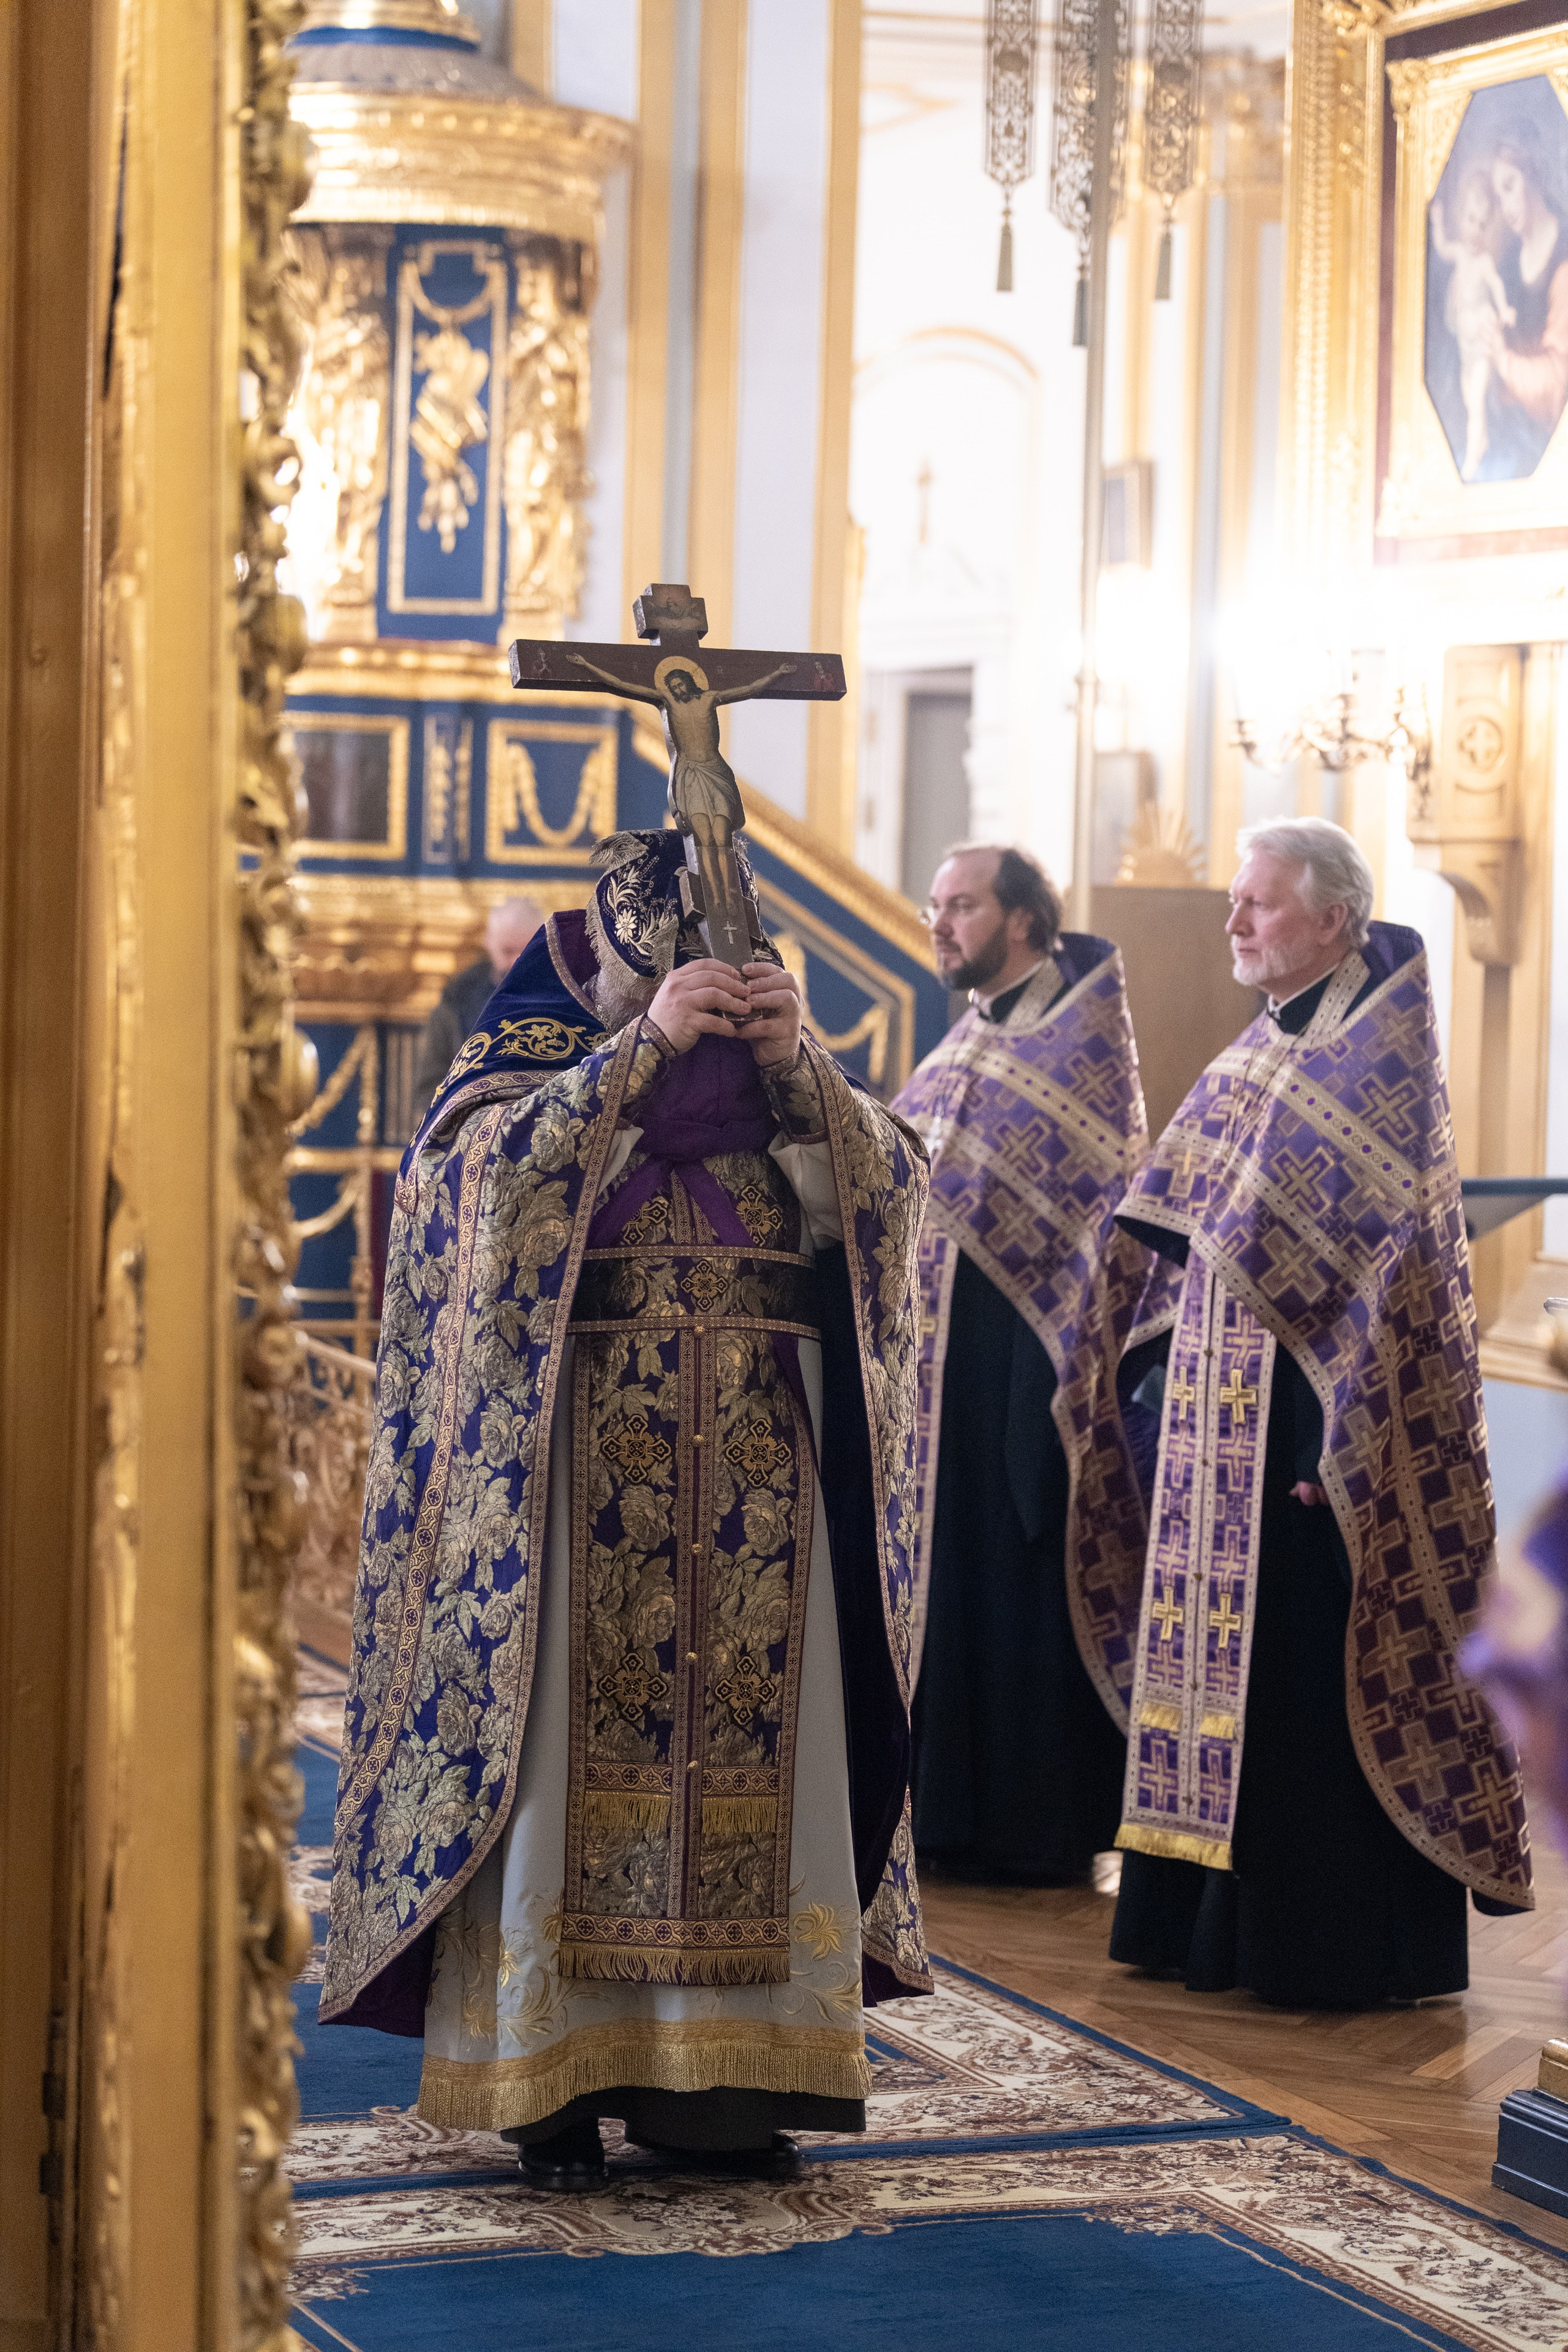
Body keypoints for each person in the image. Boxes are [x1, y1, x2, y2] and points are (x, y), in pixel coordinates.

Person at [321, 827, 932, 2189]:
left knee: (763, 1793)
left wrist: (798, 1073)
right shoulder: (543, 1021)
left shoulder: (776, 1048)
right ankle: (550, 2085)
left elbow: (889, 1204)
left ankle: (725, 2094)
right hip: (583, 1470)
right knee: (558, 1780)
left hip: (768, 1457)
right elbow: (469, 1196)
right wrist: (640, 1050)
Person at [1110, 818, 1531, 2007]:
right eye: (1234, 901)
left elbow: (1378, 1284)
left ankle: (1320, 1948)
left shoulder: (1376, 1058)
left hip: (1307, 1443)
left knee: (1299, 1683)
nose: (1233, 922)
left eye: (1258, 903)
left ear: (1334, 920)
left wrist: (1324, 1439)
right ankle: (1194, 1925)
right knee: (1209, 1680)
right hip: (1210, 1428)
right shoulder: (1263, 1048)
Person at [893, 843, 1172, 1887]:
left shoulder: (1083, 1037)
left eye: (960, 905)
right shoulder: (973, 1033)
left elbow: (1095, 1214)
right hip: (938, 1371)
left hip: (1029, 1369)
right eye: (935, 905)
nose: (941, 924)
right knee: (947, 1575)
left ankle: (1030, 1823)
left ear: (1022, 919)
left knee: (1017, 1570)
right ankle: (944, 1811)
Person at [1477, 131, 1568, 477]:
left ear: (1533, 176)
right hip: (1511, 431)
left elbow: (1557, 387)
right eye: (1498, 196)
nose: (1505, 208)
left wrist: (1501, 358)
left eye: (1510, 186)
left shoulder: (1564, 260)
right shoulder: (1509, 264)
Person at [410, 894, 543, 1120]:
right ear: (489, 942)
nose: (516, 962)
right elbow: (429, 1089)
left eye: (526, 952)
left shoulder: (562, 995)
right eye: (508, 951)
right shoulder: (456, 1002)